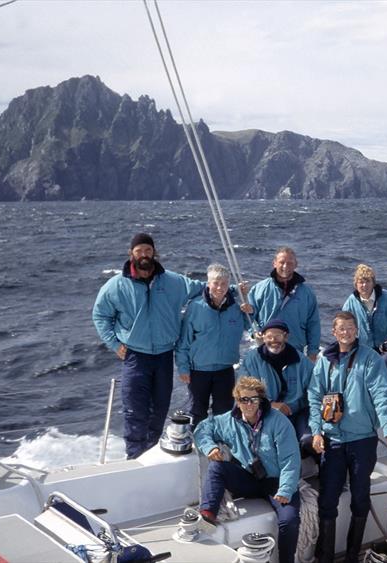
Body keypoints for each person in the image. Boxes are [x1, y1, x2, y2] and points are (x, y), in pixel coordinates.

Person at [92, 233, 205, 459]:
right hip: (135, 357)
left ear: (154, 252)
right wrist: (114, 344)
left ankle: (151, 456)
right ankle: (134, 459)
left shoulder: (173, 282)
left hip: (164, 356)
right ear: (131, 253)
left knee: (160, 410)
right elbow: (100, 315)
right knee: (135, 412)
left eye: (148, 250)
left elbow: (204, 288)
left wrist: (233, 291)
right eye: (139, 250)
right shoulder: (116, 285)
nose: (144, 255)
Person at [309, 311, 387, 563]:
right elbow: (314, 396)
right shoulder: (324, 360)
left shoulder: (371, 359)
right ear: (334, 332)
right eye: (341, 329)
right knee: (328, 500)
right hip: (333, 441)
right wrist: (316, 431)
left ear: (357, 331)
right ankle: (325, 557)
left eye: (351, 328)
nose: (346, 333)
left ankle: (352, 556)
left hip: (362, 440)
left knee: (360, 498)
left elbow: (383, 398)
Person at [194, 377, 301, 563]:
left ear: (261, 400)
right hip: (249, 478)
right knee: (217, 467)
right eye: (244, 399)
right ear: (237, 400)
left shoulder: (279, 422)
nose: (249, 404)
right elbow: (202, 429)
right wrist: (209, 447)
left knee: (289, 521)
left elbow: (290, 459)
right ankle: (207, 515)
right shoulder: (228, 421)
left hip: (277, 483)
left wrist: (285, 489)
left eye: (254, 399)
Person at [175, 263, 252, 429]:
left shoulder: (236, 308)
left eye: (224, 283)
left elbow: (251, 326)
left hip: (225, 369)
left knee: (224, 412)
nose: (219, 287)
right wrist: (183, 367)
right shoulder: (195, 307)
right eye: (215, 283)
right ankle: (200, 445)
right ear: (208, 284)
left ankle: (221, 445)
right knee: (197, 411)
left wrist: (248, 304)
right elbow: (184, 341)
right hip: (198, 370)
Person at [239, 318, 314, 444]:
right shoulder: (252, 360)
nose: (273, 340)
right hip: (264, 413)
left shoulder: (301, 361)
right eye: (269, 336)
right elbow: (243, 391)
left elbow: (314, 390)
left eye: (278, 336)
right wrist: (270, 405)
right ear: (263, 338)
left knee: (308, 441)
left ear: (286, 337)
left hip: (296, 413)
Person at [248, 246, 321, 361]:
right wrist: (254, 332)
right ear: (274, 263)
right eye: (281, 262)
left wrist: (313, 352)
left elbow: (313, 324)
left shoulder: (307, 293)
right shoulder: (259, 289)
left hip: (295, 350)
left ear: (296, 265)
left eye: (290, 263)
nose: (285, 266)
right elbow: (249, 317)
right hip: (266, 349)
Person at [341, 263, 387, 381]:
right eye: (361, 282)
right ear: (356, 284)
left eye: (367, 281)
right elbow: (344, 327)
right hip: (363, 349)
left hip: (386, 348)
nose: (364, 285)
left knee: (384, 366)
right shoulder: (350, 303)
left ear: (373, 282)